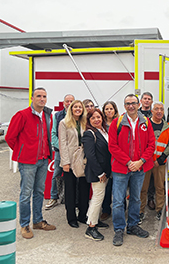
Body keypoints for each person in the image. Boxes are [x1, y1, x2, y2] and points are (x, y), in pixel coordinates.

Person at [5, 87, 56, 239]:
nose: (42, 99)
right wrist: (22, 151)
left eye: (44, 96)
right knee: (26, 194)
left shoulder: (47, 115)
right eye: (38, 96)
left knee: (39, 192)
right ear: (32, 98)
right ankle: (25, 224)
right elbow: (10, 137)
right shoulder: (22, 115)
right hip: (27, 162)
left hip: (42, 160)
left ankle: (38, 221)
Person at [108, 94, 155, 246]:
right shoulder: (118, 122)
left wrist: (140, 161)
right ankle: (119, 229)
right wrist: (128, 162)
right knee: (118, 201)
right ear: (124, 105)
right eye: (127, 103)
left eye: (133, 103)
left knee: (136, 198)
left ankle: (133, 225)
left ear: (138, 104)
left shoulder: (146, 122)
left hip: (139, 168)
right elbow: (112, 146)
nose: (131, 106)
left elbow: (151, 145)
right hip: (121, 168)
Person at [139, 102, 169, 222]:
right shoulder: (144, 125)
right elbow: (140, 142)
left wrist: (161, 158)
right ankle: (140, 211)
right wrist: (146, 159)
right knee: (143, 188)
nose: (159, 111)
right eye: (156, 109)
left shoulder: (168, 127)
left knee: (160, 188)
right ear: (152, 111)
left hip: (160, 163)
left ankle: (160, 210)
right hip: (145, 162)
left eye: (161, 109)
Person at [59, 100, 90, 228]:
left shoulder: (84, 123)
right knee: (70, 190)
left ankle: (82, 215)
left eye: (80, 107)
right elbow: (62, 143)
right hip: (70, 161)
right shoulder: (64, 123)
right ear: (71, 109)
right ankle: (71, 217)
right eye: (75, 107)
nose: (78, 109)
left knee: (84, 189)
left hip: (83, 160)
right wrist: (65, 162)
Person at [82, 108, 112, 241]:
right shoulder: (89, 134)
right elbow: (91, 156)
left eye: (98, 117)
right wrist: (99, 173)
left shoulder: (103, 131)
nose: (96, 120)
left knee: (97, 197)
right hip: (97, 173)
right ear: (89, 120)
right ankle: (91, 228)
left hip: (105, 171)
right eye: (93, 118)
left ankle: (93, 219)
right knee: (97, 198)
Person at [45, 94, 75, 210]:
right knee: (57, 172)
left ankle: (73, 198)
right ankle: (54, 197)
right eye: (67, 101)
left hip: (74, 151)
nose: (69, 103)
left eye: (71, 101)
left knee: (75, 174)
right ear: (63, 103)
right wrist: (63, 148)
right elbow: (53, 135)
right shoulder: (57, 116)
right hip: (60, 151)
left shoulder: (78, 115)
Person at [100, 100, 119, 221]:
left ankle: (120, 208)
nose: (109, 111)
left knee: (118, 184)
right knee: (106, 186)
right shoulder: (100, 124)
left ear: (115, 110)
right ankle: (106, 209)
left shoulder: (119, 123)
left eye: (111, 109)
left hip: (117, 157)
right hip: (104, 157)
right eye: (106, 109)